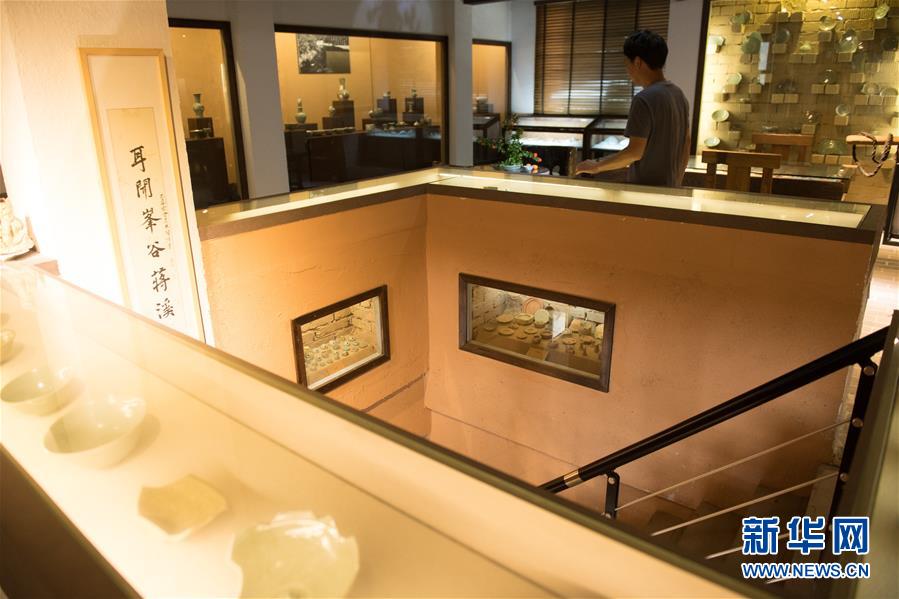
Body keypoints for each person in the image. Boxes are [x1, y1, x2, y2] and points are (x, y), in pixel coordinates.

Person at [575, 30, 691, 187]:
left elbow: (634, 152)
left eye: (627, 63)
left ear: (637, 62)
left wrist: (596, 165)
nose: (627, 70)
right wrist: (676, 183)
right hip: (671, 188)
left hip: (646, 190)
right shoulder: (678, 95)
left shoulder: (644, 99)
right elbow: (686, 144)